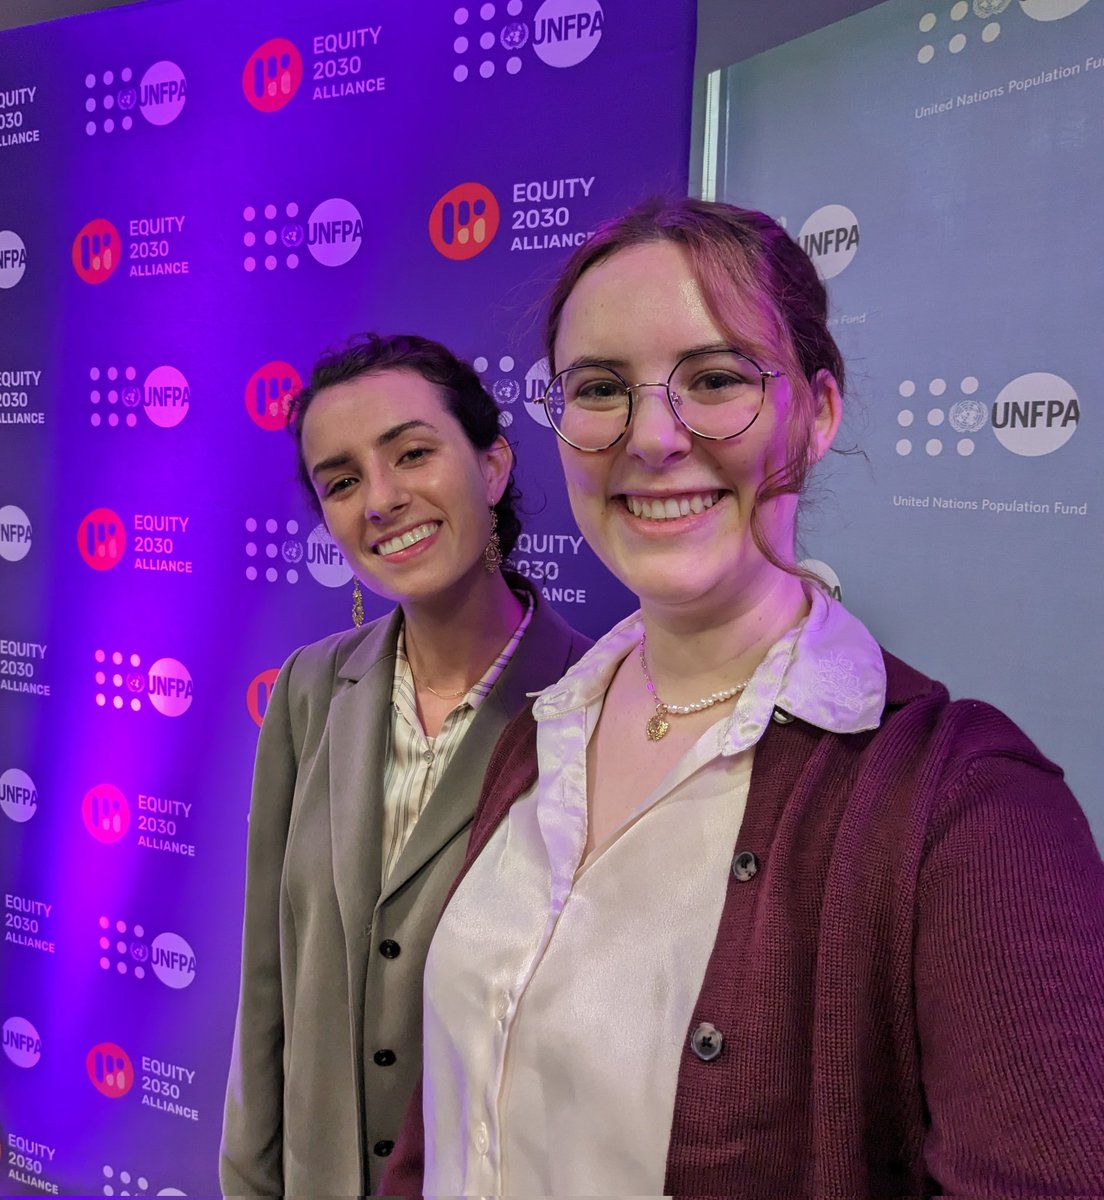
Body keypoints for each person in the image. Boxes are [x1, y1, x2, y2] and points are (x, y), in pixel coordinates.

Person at [381, 200, 1104, 1197]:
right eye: (598, 389)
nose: (651, 437)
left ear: (819, 408)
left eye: (714, 379)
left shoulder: (965, 807)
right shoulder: (539, 732)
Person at [218, 332, 590, 1197]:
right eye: (341, 482)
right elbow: (268, 977)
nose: (380, 500)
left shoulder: (593, 700)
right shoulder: (311, 688)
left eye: (412, 454)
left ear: (492, 466)